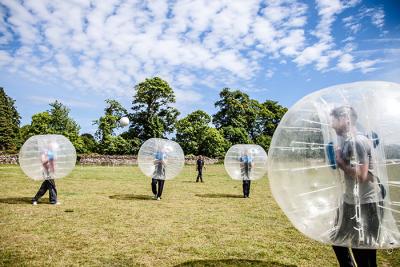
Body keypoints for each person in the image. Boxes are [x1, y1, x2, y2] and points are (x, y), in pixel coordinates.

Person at [330, 106, 382, 267]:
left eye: (334, 121)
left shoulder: (358, 141)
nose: (332, 125)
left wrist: (340, 162)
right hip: (351, 202)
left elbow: (362, 175)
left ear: (346, 119)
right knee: (337, 237)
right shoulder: (347, 142)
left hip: (367, 204)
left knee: (364, 256)